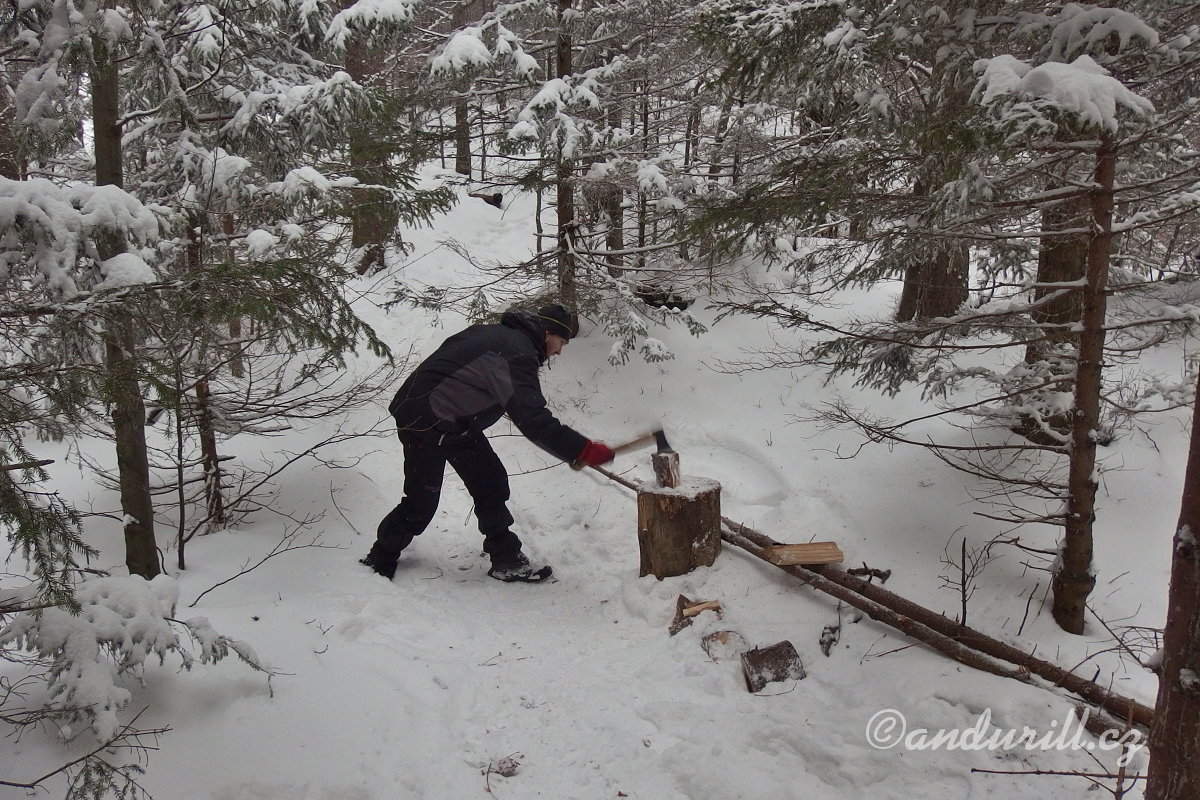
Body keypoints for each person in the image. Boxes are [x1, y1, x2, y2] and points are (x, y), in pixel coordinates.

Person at [361, 303, 615, 583]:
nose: (559, 351)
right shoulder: (516, 352)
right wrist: (582, 449)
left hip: (455, 422)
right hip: (426, 422)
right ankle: (380, 557)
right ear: (547, 333)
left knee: (490, 481)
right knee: (422, 500)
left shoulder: (500, 337)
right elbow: (533, 418)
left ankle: (506, 557)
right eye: (560, 342)